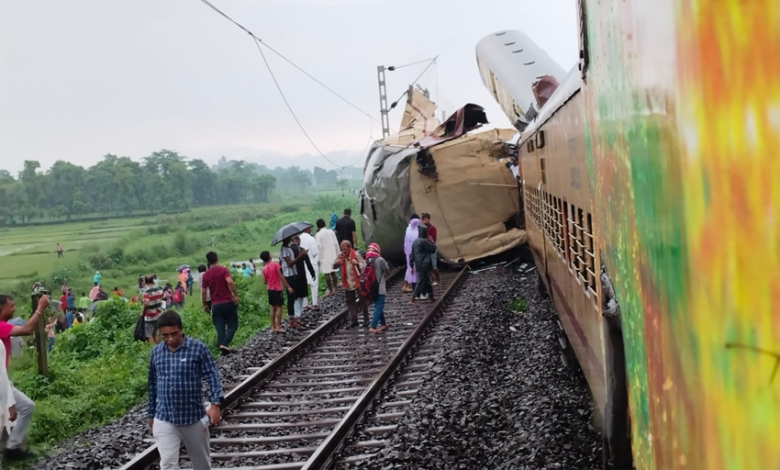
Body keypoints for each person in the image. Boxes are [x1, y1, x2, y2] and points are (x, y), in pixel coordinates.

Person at [148, 310, 222, 470]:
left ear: (181, 329)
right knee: (167, 463)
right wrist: (151, 414)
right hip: (164, 418)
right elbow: (152, 384)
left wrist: (215, 404)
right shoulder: (156, 352)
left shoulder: (198, 349)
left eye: (174, 334)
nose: (170, 339)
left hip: (193, 418)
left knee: (201, 464)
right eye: (165, 335)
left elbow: (212, 377)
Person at [0, 293, 48, 460]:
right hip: (1, 381)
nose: (14, 308)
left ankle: (13, 447)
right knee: (20, 409)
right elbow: (27, 329)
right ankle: (12, 447)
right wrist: (39, 309)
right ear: (1, 309)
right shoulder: (0, 326)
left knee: (26, 406)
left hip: (3, 379)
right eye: (11, 306)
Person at [200, 251, 240, 356]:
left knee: (220, 328)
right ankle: (224, 344)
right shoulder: (223, 270)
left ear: (208, 261)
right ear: (217, 259)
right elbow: (230, 281)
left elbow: (203, 291)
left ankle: (223, 352)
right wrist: (235, 295)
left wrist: (204, 304)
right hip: (227, 302)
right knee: (233, 325)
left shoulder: (206, 275)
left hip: (216, 305)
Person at [333, 240, 368, 328]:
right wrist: (337, 263)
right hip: (347, 282)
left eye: (345, 249)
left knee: (362, 300)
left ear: (349, 247)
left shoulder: (356, 254)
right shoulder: (341, 256)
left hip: (358, 281)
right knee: (350, 302)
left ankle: (366, 319)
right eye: (342, 249)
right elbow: (333, 265)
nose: (344, 251)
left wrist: (357, 263)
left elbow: (364, 266)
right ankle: (354, 320)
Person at [279, 237, 309, 330]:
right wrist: (299, 256)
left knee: (294, 296)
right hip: (288, 276)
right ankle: (291, 320)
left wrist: (300, 255)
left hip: (293, 275)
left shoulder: (288, 248)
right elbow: (290, 263)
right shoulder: (284, 249)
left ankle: (293, 319)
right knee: (291, 298)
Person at [260, 251, 293, 332]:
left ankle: (273, 326)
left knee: (272, 307)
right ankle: (278, 326)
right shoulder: (275, 265)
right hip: (277, 289)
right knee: (279, 307)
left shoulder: (264, 268)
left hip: (270, 289)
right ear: (269, 256)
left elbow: (264, 282)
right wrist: (288, 286)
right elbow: (281, 276)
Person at [366, 243, 391, 334]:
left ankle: (383, 324)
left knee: (378, 306)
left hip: (371, 288)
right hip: (380, 287)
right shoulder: (380, 260)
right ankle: (373, 326)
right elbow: (388, 272)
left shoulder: (367, 260)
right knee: (378, 307)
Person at [410, 225, 437, 304]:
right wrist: (432, 242)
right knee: (421, 280)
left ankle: (431, 296)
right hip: (425, 264)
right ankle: (413, 298)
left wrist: (411, 265)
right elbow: (433, 249)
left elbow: (412, 254)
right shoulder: (424, 241)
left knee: (427, 280)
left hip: (418, 264)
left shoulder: (415, 242)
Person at [291, 236, 315, 320]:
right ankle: (299, 312)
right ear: (296, 240)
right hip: (301, 274)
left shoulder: (288, 250)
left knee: (295, 294)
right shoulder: (301, 250)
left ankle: (296, 312)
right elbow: (308, 263)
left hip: (291, 275)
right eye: (299, 240)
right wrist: (312, 273)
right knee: (301, 293)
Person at [316, 218, 341, 297]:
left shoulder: (318, 235)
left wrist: (318, 259)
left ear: (318, 226)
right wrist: (338, 253)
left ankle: (330, 290)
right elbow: (336, 243)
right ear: (324, 224)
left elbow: (318, 247)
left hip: (324, 256)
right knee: (333, 272)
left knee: (327, 273)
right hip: (333, 254)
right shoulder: (331, 232)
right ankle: (336, 288)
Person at [298, 226, 320, 311]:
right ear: (307, 229)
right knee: (314, 284)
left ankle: (304, 305)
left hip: (302, 264)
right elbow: (314, 253)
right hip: (312, 263)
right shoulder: (311, 239)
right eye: (310, 228)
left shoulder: (298, 239)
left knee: (304, 284)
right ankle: (314, 304)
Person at [142, 276, 164, 344]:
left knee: (149, 335)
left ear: (145, 282)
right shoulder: (159, 290)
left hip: (149, 317)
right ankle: (158, 348)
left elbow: (146, 304)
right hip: (158, 315)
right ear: (153, 281)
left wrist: (143, 313)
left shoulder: (146, 292)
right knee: (155, 334)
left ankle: (151, 350)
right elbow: (164, 298)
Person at [421, 213, 440, 285]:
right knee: (426, 266)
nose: (425, 221)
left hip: (431, 249)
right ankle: (433, 278)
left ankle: (438, 280)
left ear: (429, 219)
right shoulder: (422, 229)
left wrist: (428, 239)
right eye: (423, 220)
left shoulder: (432, 228)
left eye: (426, 219)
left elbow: (434, 239)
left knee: (434, 266)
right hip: (425, 249)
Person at [403, 215, 421, 293]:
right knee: (415, 269)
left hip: (409, 252)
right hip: (417, 252)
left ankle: (410, 286)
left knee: (410, 268)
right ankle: (407, 285)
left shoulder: (408, 229)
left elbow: (405, 243)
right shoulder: (418, 229)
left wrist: (406, 252)